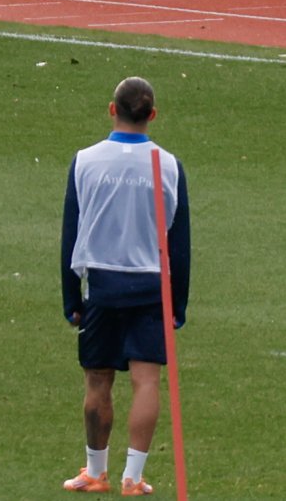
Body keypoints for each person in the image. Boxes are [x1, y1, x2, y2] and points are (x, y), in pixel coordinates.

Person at [60, 76, 191, 497]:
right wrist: (179, 302)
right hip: (153, 286)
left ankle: (95, 472)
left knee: (97, 381)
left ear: (111, 109)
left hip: (101, 283)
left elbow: (71, 232)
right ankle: (133, 478)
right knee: (146, 382)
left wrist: (70, 296)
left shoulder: (85, 160)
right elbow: (180, 240)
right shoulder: (169, 165)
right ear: (152, 115)